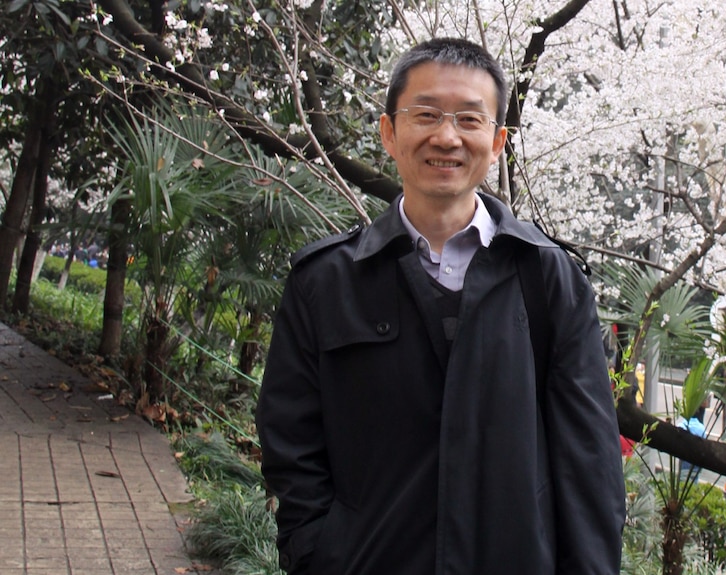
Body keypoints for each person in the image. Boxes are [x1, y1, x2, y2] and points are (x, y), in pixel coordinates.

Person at [256, 37, 626, 575]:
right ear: (389, 132)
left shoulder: (548, 278)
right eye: (425, 114)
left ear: (498, 141)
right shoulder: (327, 280)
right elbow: (290, 441)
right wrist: (318, 552)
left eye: (470, 121)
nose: (446, 137)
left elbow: (590, 463)